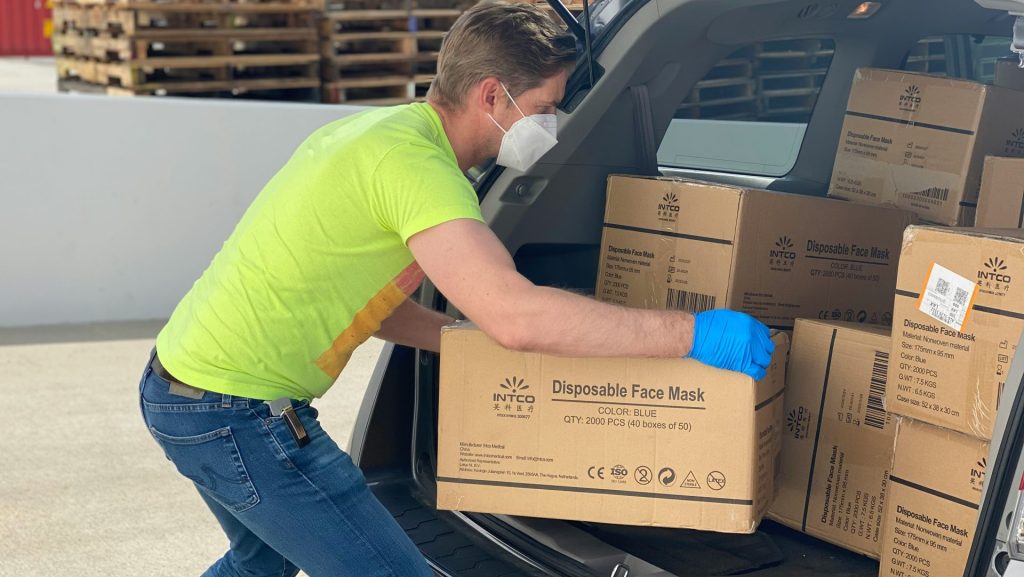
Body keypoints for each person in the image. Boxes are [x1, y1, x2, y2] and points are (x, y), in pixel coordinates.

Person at [137, 2, 775, 576]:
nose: (550, 125)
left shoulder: (378, 135)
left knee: (259, 570)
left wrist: (469, 345)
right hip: (238, 414)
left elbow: (370, 305)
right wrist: (693, 333)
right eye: (547, 106)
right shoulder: (419, 170)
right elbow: (517, 315)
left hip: (184, 389)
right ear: (493, 95)